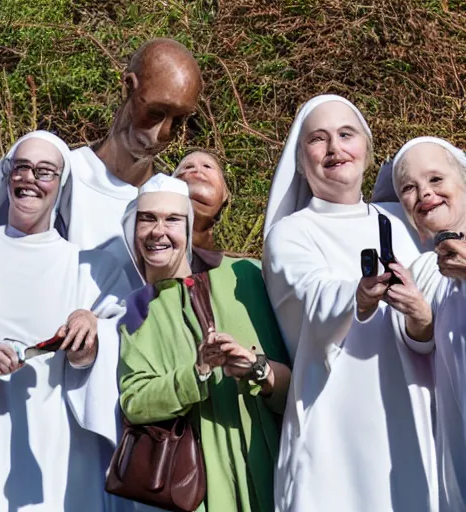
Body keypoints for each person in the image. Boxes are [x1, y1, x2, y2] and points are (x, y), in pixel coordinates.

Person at [262, 94, 436, 512]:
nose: (334, 149)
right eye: (318, 140)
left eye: (346, 135)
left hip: (411, 411)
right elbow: (309, 297)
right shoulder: (290, 233)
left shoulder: (403, 222)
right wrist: (357, 295)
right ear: (301, 162)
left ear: (367, 149)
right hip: (334, 417)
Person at [0, 131, 132, 512]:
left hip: (60, 465)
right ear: (7, 176)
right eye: (21, 167)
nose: (30, 178)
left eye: (45, 171)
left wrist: (93, 340)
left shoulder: (93, 272)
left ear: (61, 185)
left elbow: (130, 359)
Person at [0, 39, 203, 288]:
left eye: (178, 120)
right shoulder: (54, 173)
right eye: (156, 113)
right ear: (128, 87)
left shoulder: (170, 205)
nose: (163, 133)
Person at [118, 173, 291, 512]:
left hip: (276, 469)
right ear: (132, 229)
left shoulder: (248, 277)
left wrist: (256, 367)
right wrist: (197, 373)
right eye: (147, 219)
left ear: (187, 228)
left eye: (172, 219)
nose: (158, 230)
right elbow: (134, 403)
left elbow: (302, 382)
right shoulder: (133, 314)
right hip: (200, 488)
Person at [367, 137, 466, 511]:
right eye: (409, 187)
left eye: (436, 179)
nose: (425, 193)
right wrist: (419, 318)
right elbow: (418, 347)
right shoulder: (424, 268)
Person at [173, 150, 229, 251]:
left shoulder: (244, 266)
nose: (197, 170)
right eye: (188, 167)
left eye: (207, 166)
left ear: (225, 194)